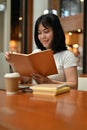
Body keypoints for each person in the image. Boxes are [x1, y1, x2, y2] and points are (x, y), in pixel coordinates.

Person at [5, 13, 78, 89]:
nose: (42, 36)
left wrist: (51, 82)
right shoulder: (36, 53)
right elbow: (23, 80)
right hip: (37, 97)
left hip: (59, 99)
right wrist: (13, 62)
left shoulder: (67, 55)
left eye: (46, 32)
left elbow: (74, 85)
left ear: (56, 32)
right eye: (39, 33)